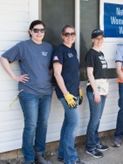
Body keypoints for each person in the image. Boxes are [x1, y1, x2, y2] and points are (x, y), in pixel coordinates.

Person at [0, 20, 53, 164]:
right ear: (30, 31)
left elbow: (51, 68)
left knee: (43, 123)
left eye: (42, 30)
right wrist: (15, 77)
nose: (39, 33)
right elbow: (4, 58)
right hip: (29, 93)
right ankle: (29, 158)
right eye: (36, 30)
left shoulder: (48, 47)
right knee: (31, 125)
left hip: (47, 92)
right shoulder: (23, 46)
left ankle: (40, 154)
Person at [52, 25, 85, 164]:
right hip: (66, 94)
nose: (70, 36)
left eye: (72, 34)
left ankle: (62, 154)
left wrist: (78, 89)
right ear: (62, 35)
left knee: (67, 123)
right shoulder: (60, 50)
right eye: (67, 34)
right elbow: (57, 74)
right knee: (74, 123)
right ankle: (70, 159)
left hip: (74, 92)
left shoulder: (73, 50)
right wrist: (66, 94)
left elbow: (72, 73)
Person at [85, 29, 109, 158]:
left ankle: (95, 142)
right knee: (94, 120)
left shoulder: (101, 53)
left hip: (102, 90)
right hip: (94, 91)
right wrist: (96, 92)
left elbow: (102, 74)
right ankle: (90, 146)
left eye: (101, 38)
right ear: (92, 39)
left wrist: (104, 91)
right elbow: (90, 74)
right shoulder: (91, 54)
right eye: (97, 38)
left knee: (98, 119)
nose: (99, 41)